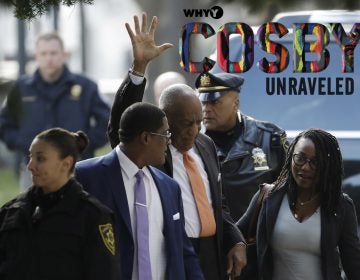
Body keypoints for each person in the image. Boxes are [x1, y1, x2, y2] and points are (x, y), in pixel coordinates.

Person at [107, 13, 247, 280]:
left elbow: (218, 203)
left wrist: (235, 240)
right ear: (165, 121)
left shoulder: (204, 145)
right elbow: (120, 126)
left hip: (212, 254)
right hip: (171, 252)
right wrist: (139, 68)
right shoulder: (150, 151)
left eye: (198, 122)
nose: (194, 130)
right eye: (185, 124)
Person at [75, 102, 203, 279]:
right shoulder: (85, 176)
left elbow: (183, 251)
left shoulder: (169, 187)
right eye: (165, 133)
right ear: (146, 138)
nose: (169, 140)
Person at [237, 128, 360, 279]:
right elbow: (235, 234)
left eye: (315, 162)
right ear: (290, 158)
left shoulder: (341, 206)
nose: (306, 167)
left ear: (328, 165)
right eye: (300, 158)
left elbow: (353, 265)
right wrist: (239, 246)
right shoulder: (268, 196)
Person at [0, 128, 120, 280]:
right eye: (30, 157)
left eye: (40, 159)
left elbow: (105, 273)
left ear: (66, 163)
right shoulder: (11, 211)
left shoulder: (93, 217)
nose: (30, 166)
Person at [0, 32, 110, 190]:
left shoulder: (86, 86)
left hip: (76, 170)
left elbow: (107, 121)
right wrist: (23, 142)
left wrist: (83, 145)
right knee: (34, 214)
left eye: (53, 53)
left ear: (64, 55)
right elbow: (4, 123)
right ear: (36, 56)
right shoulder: (21, 88)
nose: (49, 58)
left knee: (77, 214)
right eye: (43, 53)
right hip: (34, 171)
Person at [195, 72, 288, 221]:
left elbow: (289, 190)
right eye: (204, 102)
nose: (206, 109)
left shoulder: (270, 138)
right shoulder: (192, 142)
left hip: (256, 237)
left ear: (235, 104)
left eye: (214, 102)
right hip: (211, 237)